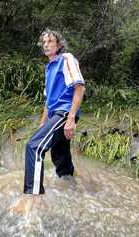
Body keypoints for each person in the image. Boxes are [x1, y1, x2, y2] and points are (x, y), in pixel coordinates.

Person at [24, 29, 85, 196]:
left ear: (58, 45)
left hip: (65, 113)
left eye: (50, 41)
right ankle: (73, 189)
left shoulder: (67, 59)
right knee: (60, 155)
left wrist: (71, 118)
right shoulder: (48, 68)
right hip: (55, 114)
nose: (46, 45)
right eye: (44, 42)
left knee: (34, 147)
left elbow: (79, 87)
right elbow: (48, 100)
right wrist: (43, 123)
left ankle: (33, 197)